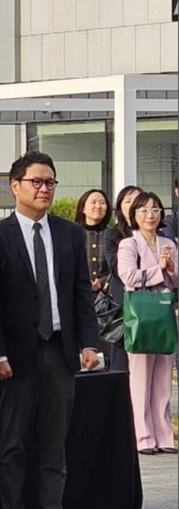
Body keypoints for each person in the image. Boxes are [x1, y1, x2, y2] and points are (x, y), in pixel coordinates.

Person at [0, 152, 100, 509]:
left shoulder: (68, 234)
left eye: (50, 182)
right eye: (37, 182)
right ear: (15, 186)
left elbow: (81, 293)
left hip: (60, 352)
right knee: (12, 446)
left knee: (54, 444)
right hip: (15, 356)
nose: (45, 189)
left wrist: (88, 343)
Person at [117, 191, 178, 455]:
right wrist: (159, 268)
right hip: (141, 313)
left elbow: (175, 281)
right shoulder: (128, 244)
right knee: (140, 377)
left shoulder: (169, 242)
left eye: (155, 209)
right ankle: (143, 437)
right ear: (134, 215)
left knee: (164, 377)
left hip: (164, 312)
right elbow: (128, 276)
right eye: (143, 210)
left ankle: (165, 436)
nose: (150, 215)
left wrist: (171, 267)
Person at [106, 185, 144, 371]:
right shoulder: (112, 235)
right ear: (120, 207)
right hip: (124, 306)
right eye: (128, 201)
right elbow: (118, 270)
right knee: (121, 363)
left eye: (137, 200)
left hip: (151, 305)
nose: (133, 205)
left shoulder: (158, 235)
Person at [74, 189, 111, 295]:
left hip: (106, 296)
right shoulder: (72, 233)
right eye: (93, 202)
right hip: (77, 294)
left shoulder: (113, 235)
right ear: (83, 208)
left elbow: (118, 268)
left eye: (102, 203)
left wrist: (101, 282)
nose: (98, 206)